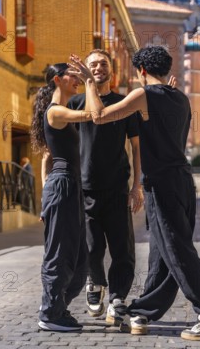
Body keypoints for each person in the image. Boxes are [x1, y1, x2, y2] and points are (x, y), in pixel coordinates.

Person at [70, 46, 200, 341]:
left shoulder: (143, 95)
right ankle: (143, 310)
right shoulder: (179, 97)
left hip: (163, 183)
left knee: (178, 251)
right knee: (161, 253)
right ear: (167, 69)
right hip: (182, 180)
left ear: (141, 70)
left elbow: (99, 116)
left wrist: (90, 84)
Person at [66, 49, 143, 325]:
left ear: (112, 70)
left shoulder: (124, 104)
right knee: (91, 247)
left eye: (103, 63)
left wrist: (137, 186)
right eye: (93, 64)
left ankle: (118, 298)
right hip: (84, 188)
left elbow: (136, 147)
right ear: (85, 70)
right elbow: (59, 147)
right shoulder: (75, 103)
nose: (98, 68)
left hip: (118, 188)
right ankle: (95, 282)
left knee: (123, 249)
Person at [30, 62, 95, 332]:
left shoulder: (62, 113)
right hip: (64, 184)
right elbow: (95, 113)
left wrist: (47, 193)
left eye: (80, 76)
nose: (78, 78)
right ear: (58, 80)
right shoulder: (56, 112)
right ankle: (50, 314)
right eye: (73, 74)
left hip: (67, 186)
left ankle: (58, 307)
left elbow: (47, 157)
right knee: (60, 254)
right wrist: (91, 79)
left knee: (81, 259)